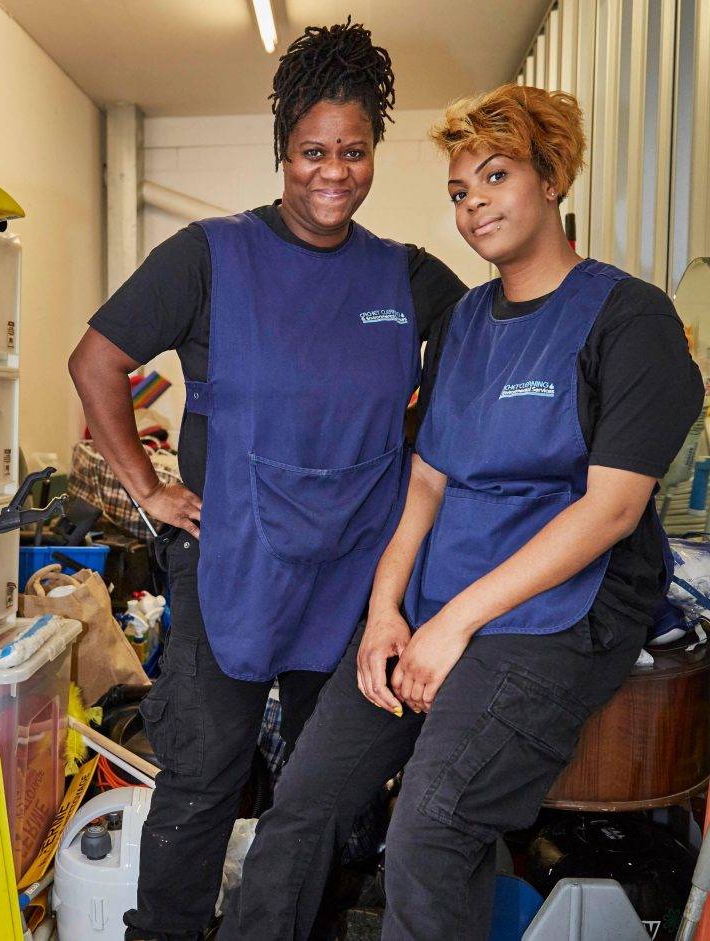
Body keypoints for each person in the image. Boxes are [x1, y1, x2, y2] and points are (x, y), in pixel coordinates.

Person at [218, 84, 705, 941]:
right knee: (302, 805)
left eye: (495, 175)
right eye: (457, 191)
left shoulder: (630, 320)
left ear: (552, 177)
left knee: (432, 829)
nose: (473, 202)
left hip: (559, 610)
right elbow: (428, 483)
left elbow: (610, 510)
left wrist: (454, 628)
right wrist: (385, 614)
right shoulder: (466, 322)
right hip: (444, 594)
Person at [67, 20, 466, 941]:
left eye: (355, 152)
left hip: (355, 578)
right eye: (313, 151)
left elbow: (486, 343)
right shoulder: (208, 257)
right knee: (206, 778)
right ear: (282, 148)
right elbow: (96, 361)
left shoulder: (405, 276)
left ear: (375, 153)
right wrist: (147, 490)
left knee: (322, 791)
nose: (335, 172)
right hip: (232, 563)